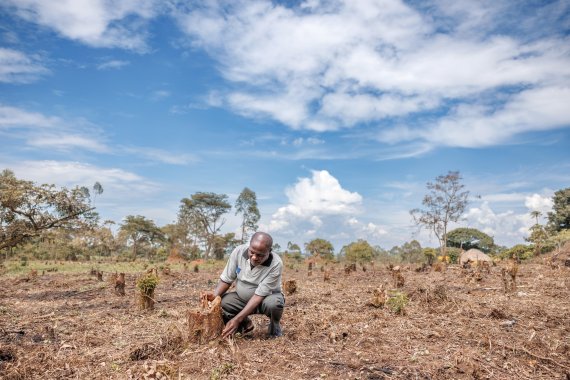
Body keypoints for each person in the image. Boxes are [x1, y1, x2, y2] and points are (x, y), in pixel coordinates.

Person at [202, 231, 284, 339]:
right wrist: (215, 296)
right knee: (222, 302)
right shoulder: (238, 252)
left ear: (269, 251)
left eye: (260, 255)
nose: (254, 257)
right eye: (252, 252)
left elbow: (259, 295)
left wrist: (237, 319)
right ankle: (245, 325)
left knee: (274, 303)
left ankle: (275, 327)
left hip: (265, 299)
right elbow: (227, 279)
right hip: (242, 299)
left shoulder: (276, 264)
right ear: (249, 246)